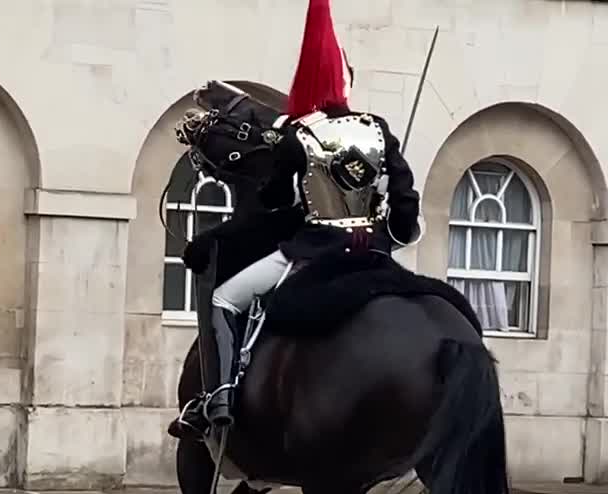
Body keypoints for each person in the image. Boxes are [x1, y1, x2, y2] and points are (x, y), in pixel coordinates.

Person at [168, 0, 423, 442]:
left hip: (313, 252)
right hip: (375, 253)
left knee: (225, 302)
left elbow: (276, 206)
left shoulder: (297, 137)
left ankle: (218, 398)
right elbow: (405, 202)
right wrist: (390, 235)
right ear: (345, 80)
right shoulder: (379, 130)